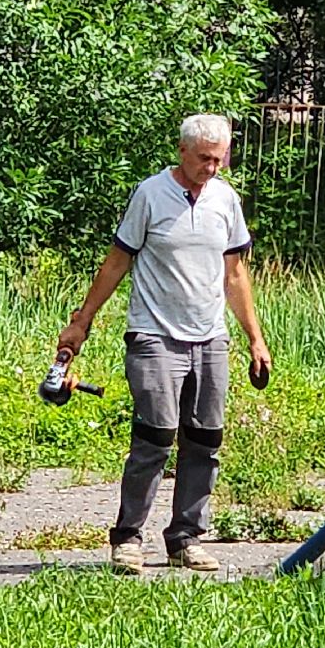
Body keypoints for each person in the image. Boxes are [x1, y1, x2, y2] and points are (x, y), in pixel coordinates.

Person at [56, 114, 272, 575]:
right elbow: (116, 263)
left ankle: (186, 538)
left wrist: (255, 338)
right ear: (182, 152)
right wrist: (82, 322)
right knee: (156, 434)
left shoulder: (225, 200)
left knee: (205, 439)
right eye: (203, 159)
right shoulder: (150, 194)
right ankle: (128, 538)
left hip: (210, 336)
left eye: (220, 159)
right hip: (154, 334)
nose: (211, 168)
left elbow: (235, 274)